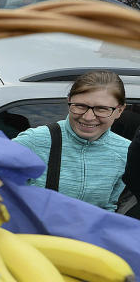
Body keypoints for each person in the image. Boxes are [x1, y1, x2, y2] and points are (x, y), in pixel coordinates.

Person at [14, 71, 129, 211]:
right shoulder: (33, 141)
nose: (88, 117)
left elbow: (108, 208)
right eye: (80, 106)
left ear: (120, 111)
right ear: (69, 101)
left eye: (101, 109)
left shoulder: (126, 152)